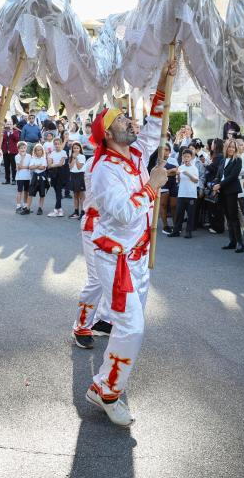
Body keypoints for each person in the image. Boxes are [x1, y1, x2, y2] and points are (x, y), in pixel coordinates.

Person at [75, 57, 175, 427]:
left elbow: (155, 124)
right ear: (106, 133)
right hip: (115, 259)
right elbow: (123, 213)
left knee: (128, 326)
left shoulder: (134, 154)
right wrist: (152, 185)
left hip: (137, 257)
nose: (130, 123)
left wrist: (165, 77)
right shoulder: (102, 170)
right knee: (132, 326)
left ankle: (109, 380)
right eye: (122, 120)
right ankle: (105, 390)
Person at [213, 139, 244, 252]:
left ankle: (240, 243)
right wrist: (215, 184)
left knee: (233, 217)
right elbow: (218, 175)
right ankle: (232, 241)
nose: (231, 149)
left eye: (233, 147)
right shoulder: (222, 160)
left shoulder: (237, 160)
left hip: (231, 191)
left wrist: (219, 185)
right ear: (226, 148)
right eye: (229, 147)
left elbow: (233, 176)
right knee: (227, 217)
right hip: (221, 191)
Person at [170, 148, 199, 239]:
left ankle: (188, 231)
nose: (186, 158)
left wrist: (188, 174)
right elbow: (178, 181)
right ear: (182, 157)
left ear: (191, 157)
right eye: (184, 156)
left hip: (191, 194)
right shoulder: (180, 167)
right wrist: (178, 174)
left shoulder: (194, 168)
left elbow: (196, 180)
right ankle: (176, 231)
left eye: (188, 156)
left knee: (190, 214)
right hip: (181, 193)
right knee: (179, 213)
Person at [46, 136, 68, 217]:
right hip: (54, 174)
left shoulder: (63, 152)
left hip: (61, 173)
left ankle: (56, 210)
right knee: (57, 192)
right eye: (55, 144)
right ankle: (60, 210)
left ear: (61, 144)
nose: (57, 145)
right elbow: (49, 166)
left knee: (58, 192)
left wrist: (53, 164)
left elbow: (61, 163)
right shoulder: (52, 153)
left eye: (58, 144)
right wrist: (54, 165)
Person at [26, 143, 48, 215]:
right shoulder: (33, 158)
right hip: (35, 176)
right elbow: (30, 167)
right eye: (37, 150)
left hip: (42, 176)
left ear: (42, 151)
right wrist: (38, 165)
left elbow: (43, 167)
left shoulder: (44, 159)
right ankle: (28, 208)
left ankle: (40, 208)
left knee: (42, 193)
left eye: (40, 150)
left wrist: (35, 166)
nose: (38, 152)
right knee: (30, 193)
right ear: (35, 151)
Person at [67, 141, 88, 219]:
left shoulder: (82, 156)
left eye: (77, 148)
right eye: (74, 148)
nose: (75, 149)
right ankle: (76, 211)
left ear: (80, 149)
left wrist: (76, 158)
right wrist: (73, 158)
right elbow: (70, 167)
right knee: (75, 194)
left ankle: (83, 211)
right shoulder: (71, 156)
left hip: (80, 175)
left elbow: (79, 167)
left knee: (81, 195)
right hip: (73, 175)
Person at [14, 142, 32, 214]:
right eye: (21, 148)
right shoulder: (17, 156)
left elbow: (30, 166)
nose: (23, 149)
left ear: (26, 148)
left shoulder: (29, 156)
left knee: (26, 192)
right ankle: (18, 206)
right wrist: (22, 157)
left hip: (27, 177)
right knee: (19, 192)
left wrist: (25, 167)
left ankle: (25, 206)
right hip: (20, 177)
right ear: (18, 149)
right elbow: (19, 167)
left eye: (24, 148)